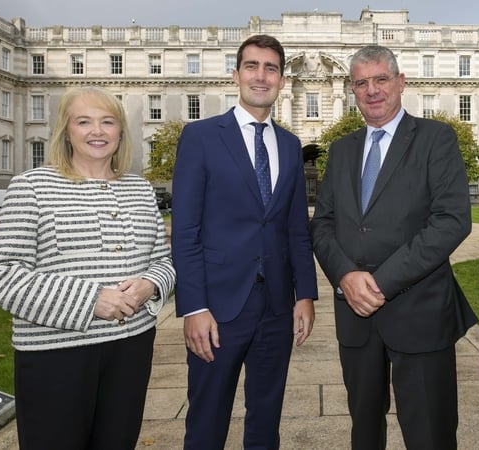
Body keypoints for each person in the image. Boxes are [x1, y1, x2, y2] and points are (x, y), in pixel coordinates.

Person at [0, 86, 175, 449]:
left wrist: (150, 285)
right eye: (84, 122)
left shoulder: (140, 189)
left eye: (107, 122)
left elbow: (164, 260)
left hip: (131, 349)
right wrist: (90, 300)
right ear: (66, 130)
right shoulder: (32, 186)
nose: (97, 132)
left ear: (120, 131)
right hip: (57, 354)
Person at [309, 44, 476, 450]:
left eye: (381, 79)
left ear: (400, 83)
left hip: (420, 314)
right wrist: (346, 275)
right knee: (364, 431)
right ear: (351, 90)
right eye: (362, 82)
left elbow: (452, 220)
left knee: (429, 434)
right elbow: (323, 224)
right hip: (356, 320)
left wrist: (380, 283)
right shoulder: (343, 150)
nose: (372, 90)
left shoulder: (436, 139)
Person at [171, 34, 317, 450]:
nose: (261, 76)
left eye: (271, 68)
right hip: (217, 307)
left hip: (275, 306)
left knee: (265, 419)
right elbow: (186, 229)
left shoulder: (289, 146)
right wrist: (194, 306)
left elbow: (294, 228)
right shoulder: (200, 136)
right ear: (235, 75)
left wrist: (304, 294)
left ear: (282, 80)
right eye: (252, 66)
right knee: (207, 418)